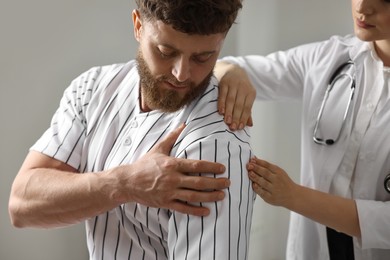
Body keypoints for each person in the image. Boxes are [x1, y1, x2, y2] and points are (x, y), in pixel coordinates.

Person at [8, 1, 255, 259]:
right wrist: (125, 183)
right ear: (138, 25)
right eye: (165, 51)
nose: (181, 74)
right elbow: (22, 205)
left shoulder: (215, 144)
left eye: (202, 57)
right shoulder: (92, 89)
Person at [215, 0, 390, 259]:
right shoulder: (328, 58)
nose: (362, 7)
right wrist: (232, 71)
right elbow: (217, 68)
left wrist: (292, 196)